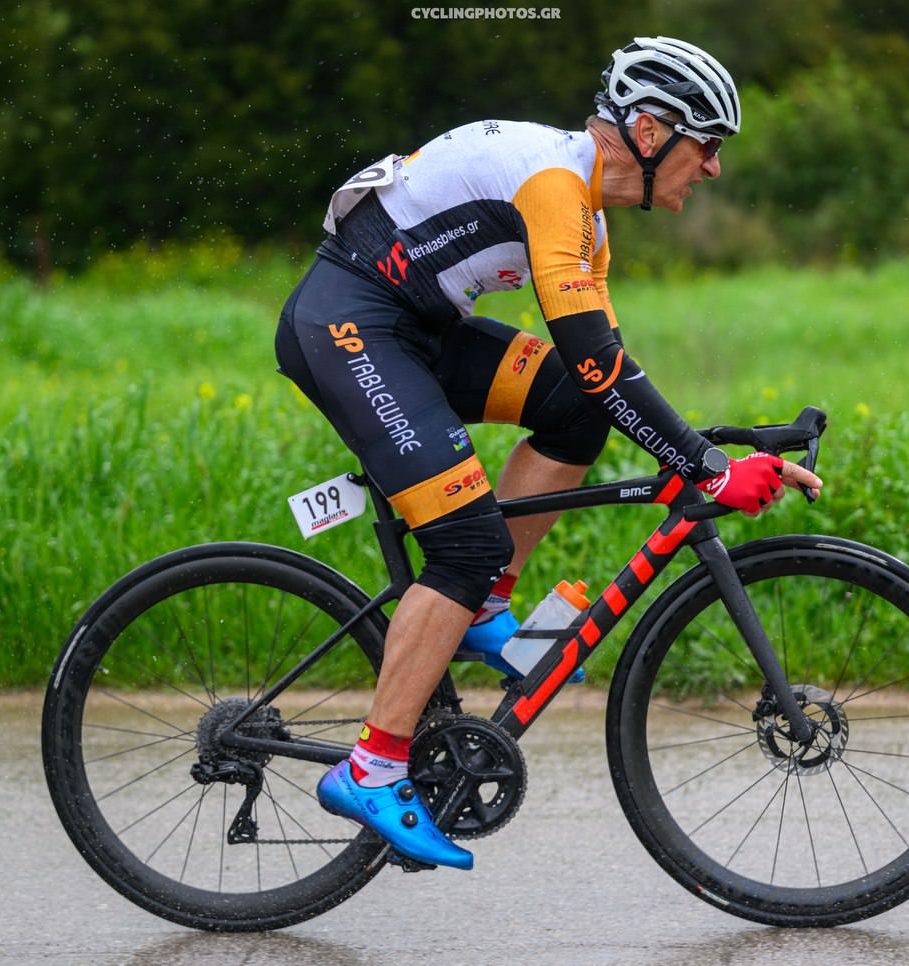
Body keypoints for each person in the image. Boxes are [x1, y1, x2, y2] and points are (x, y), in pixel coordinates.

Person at [275, 36, 823, 871]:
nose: (713, 167)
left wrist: (709, 442)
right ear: (649, 130)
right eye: (707, 145)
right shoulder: (556, 189)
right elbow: (602, 365)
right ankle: (373, 767)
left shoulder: (588, 222)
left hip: (413, 328)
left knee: (571, 411)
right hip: (351, 327)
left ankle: (481, 610)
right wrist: (709, 472)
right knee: (464, 543)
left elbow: (599, 374)